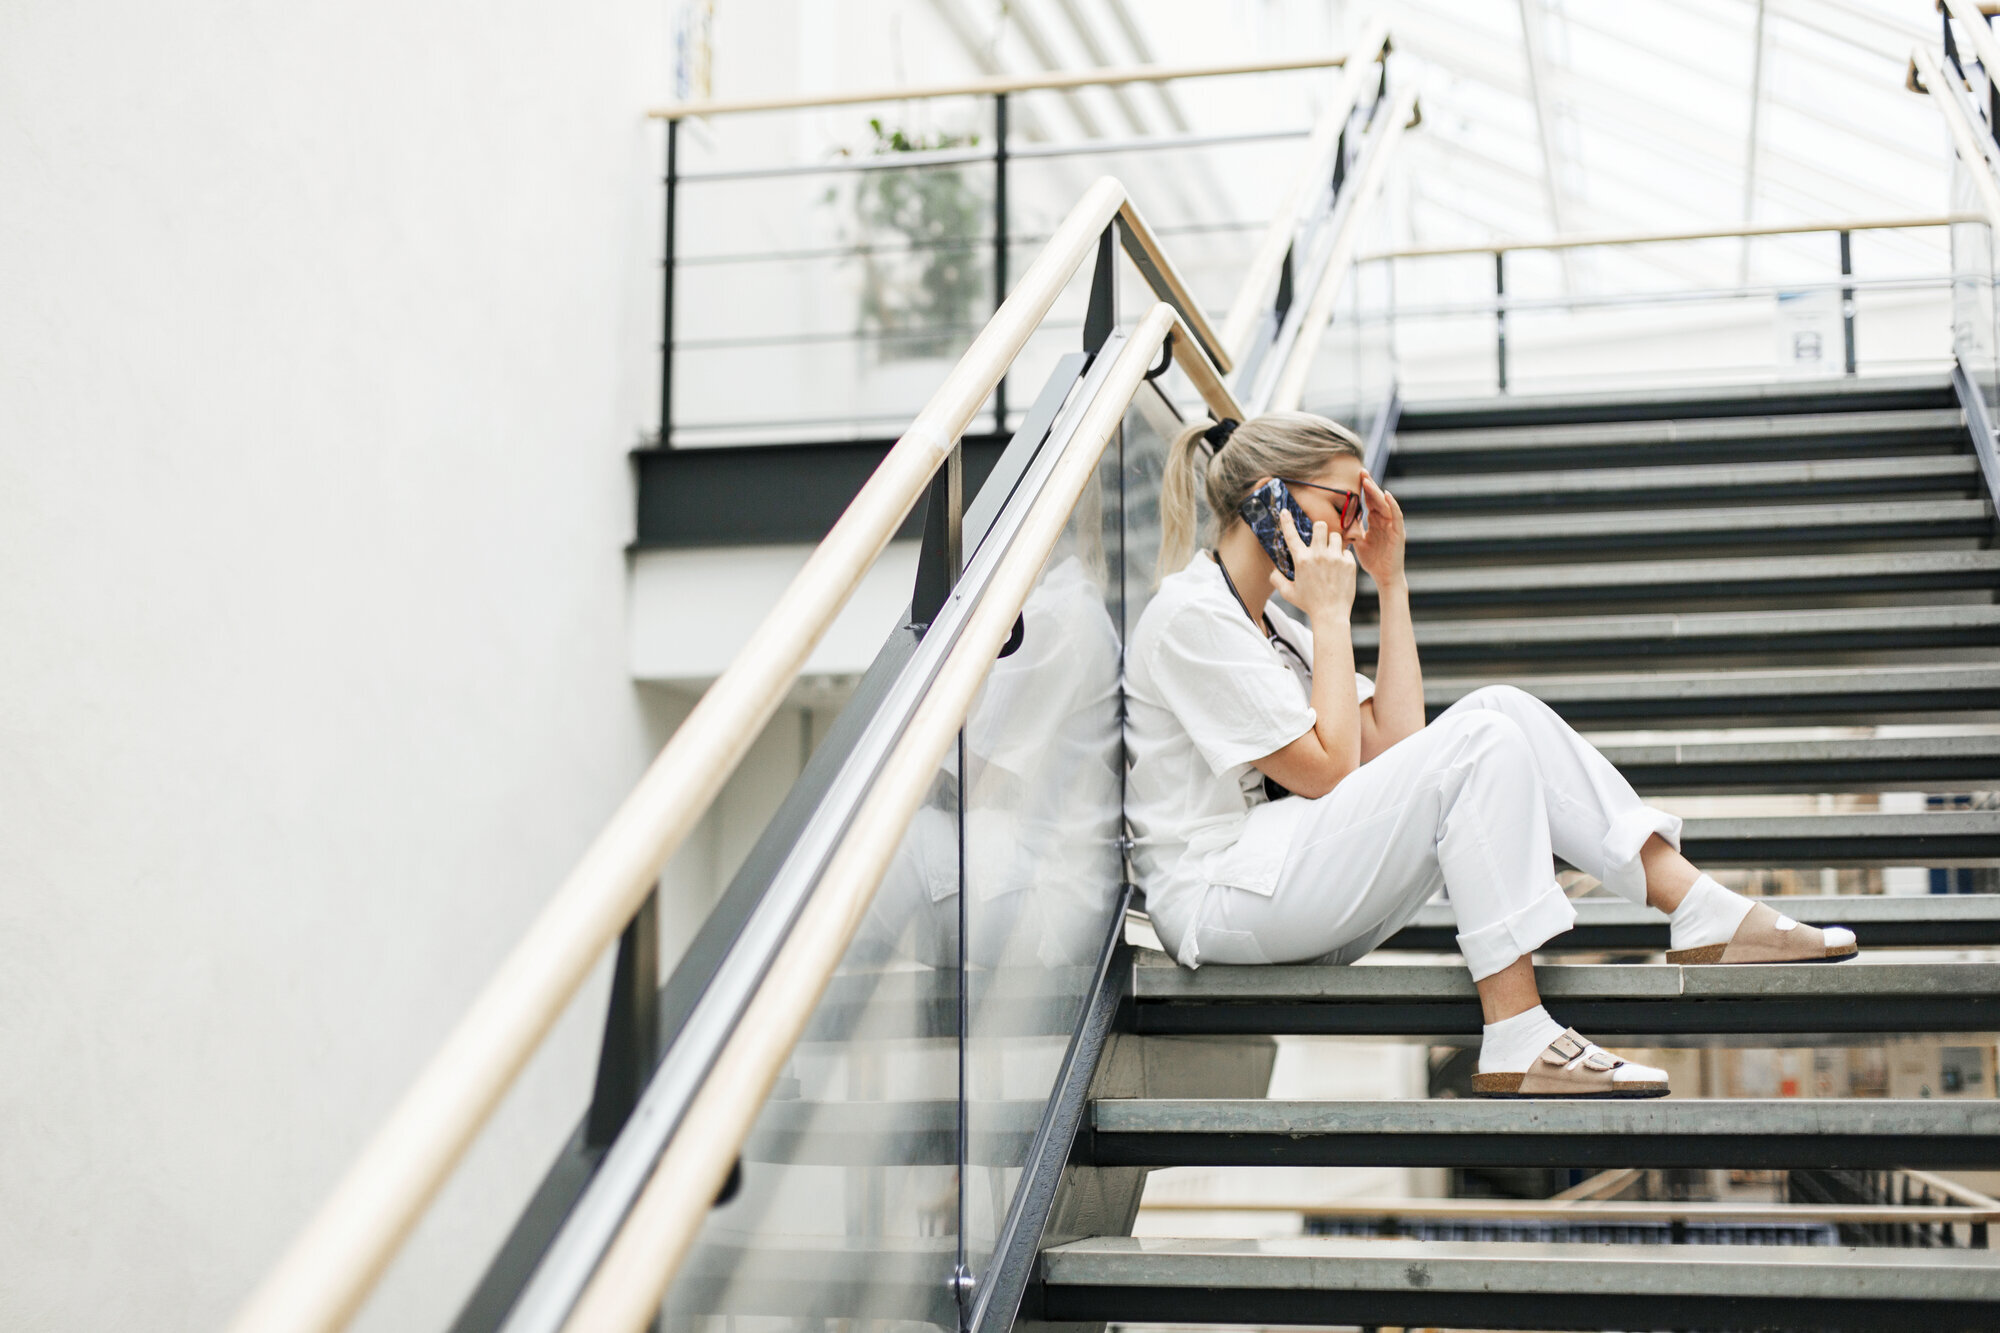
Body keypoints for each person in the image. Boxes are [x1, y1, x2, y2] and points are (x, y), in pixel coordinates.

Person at [1124, 411, 1859, 1098]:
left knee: (1499, 709)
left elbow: (1399, 746)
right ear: (1268, 497)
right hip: (1219, 898)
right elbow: (1328, 772)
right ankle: (1515, 1029)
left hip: (1282, 876)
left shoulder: (1273, 629)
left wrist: (1391, 583)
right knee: (1479, 740)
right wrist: (1329, 615)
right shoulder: (1191, 616)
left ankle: (1698, 906)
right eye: (1343, 505)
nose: (1350, 530)